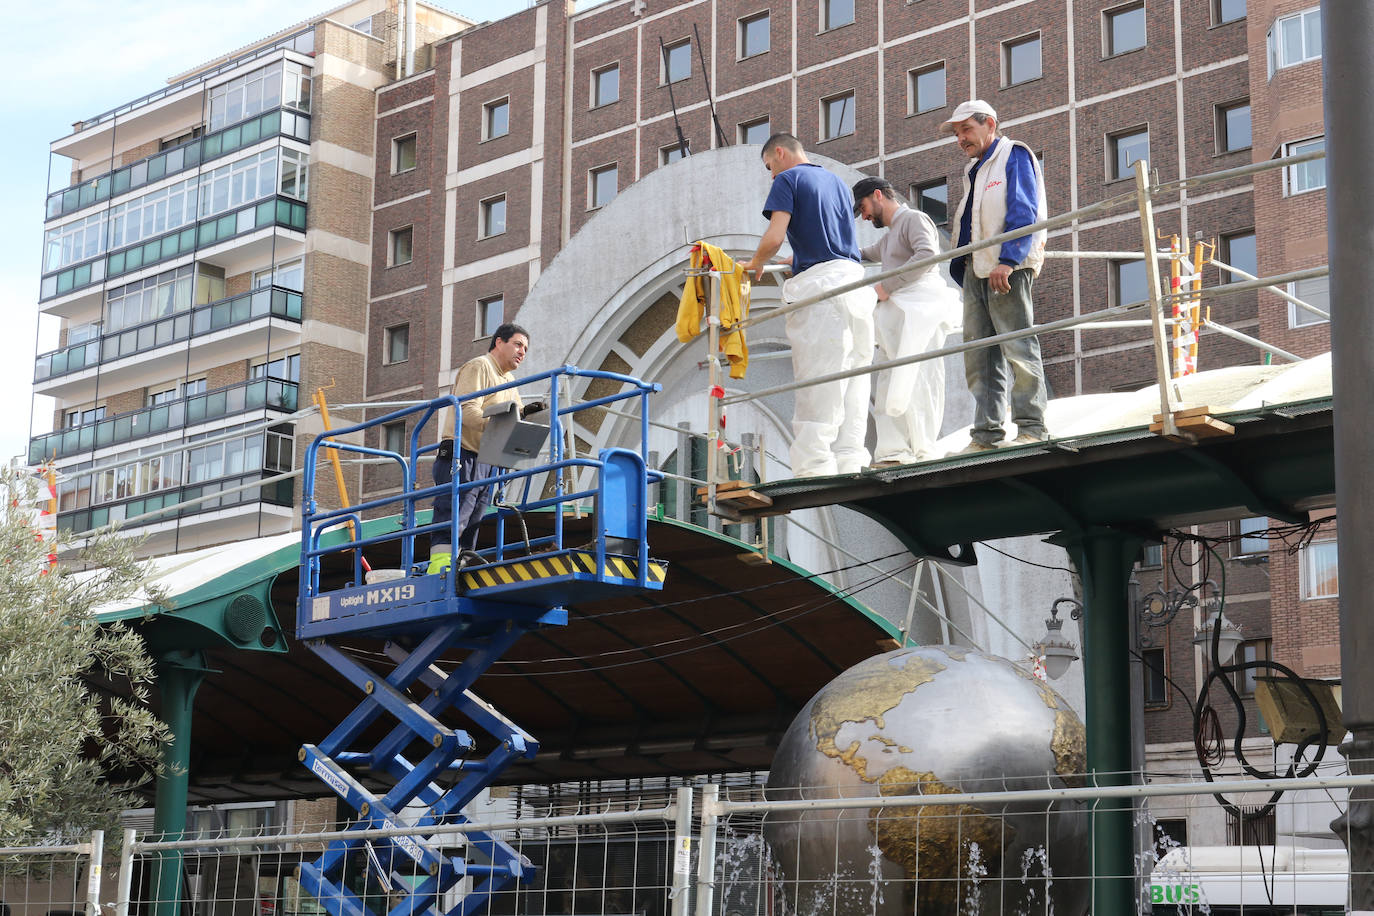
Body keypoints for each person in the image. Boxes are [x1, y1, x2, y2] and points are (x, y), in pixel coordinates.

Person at [740, 134, 877, 478]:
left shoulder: (788, 179)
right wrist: (798, 257)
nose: (771, 175)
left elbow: (774, 235)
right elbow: (832, 240)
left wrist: (757, 262)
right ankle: (850, 457)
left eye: (770, 166)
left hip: (822, 292)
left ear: (780, 154)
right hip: (854, 284)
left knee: (818, 377)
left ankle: (814, 464)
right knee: (854, 378)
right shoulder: (836, 182)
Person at [942, 100, 1050, 451]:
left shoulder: (1014, 155)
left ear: (989, 123)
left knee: (1017, 345)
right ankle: (986, 434)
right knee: (979, 354)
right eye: (957, 134)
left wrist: (1009, 259)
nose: (961, 139)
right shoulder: (976, 168)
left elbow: (1024, 209)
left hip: (1006, 267)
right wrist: (962, 268)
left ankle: (1032, 427)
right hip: (978, 268)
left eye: (966, 130)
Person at [852, 176, 962, 466]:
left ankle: (920, 448)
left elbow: (927, 255)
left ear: (877, 195)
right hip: (900, 319)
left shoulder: (914, 218)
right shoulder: (890, 235)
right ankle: (895, 451)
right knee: (891, 381)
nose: (863, 216)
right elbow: (861, 255)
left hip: (919, 315)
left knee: (919, 380)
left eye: (862, 207)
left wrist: (886, 287)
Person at [428, 323, 533, 574]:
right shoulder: (480, 366)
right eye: (518, 344)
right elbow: (467, 410)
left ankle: (462, 563)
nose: (522, 352)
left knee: (474, 517)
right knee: (455, 511)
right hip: (460, 453)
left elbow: (515, 418)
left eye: (526, 348)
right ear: (499, 342)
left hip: (486, 456)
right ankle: (441, 567)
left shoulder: (509, 380)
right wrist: (501, 429)